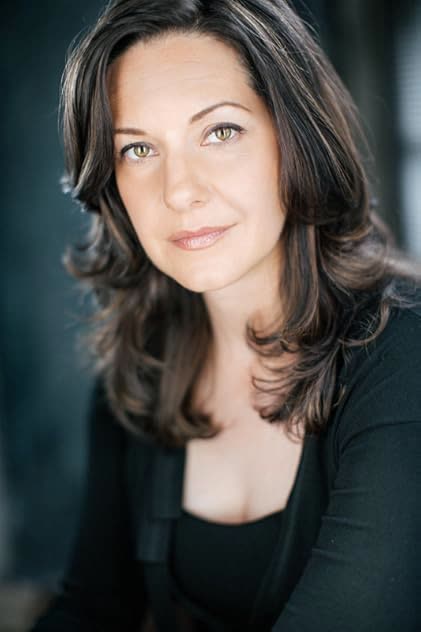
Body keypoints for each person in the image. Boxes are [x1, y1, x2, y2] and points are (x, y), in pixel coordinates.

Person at [30, 0, 421, 630]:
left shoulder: (405, 354)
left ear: (296, 138)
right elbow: (88, 609)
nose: (180, 190)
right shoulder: (138, 376)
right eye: (138, 149)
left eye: (220, 132)